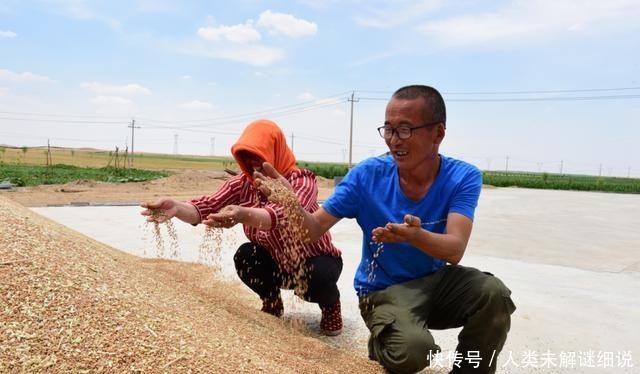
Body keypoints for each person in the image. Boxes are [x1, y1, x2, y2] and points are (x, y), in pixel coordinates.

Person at [252, 85, 516, 373]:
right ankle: (383, 342)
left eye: (405, 129)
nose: (393, 140)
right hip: (384, 289)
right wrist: (291, 203)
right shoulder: (367, 176)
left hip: (436, 281)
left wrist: (414, 236)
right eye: (388, 129)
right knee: (414, 352)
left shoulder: (462, 177)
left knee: (493, 293)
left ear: (438, 133)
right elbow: (312, 229)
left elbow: (455, 249)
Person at [141, 119, 344, 336]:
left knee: (318, 278)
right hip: (276, 263)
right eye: (245, 155)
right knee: (246, 256)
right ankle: (272, 302)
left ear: (275, 151)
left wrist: (241, 214)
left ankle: (330, 306)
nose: (251, 162)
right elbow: (206, 206)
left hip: (314, 260)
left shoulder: (301, 180)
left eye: (258, 154)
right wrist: (177, 207)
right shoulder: (242, 184)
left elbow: (281, 215)